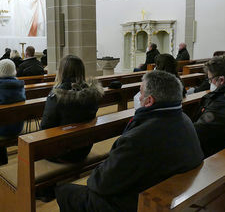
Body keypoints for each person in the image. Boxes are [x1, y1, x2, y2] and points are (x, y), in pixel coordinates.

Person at [55, 70, 203, 212]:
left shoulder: (138, 138)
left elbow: (102, 184)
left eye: (141, 91)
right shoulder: (185, 119)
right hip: (169, 191)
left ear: (149, 101)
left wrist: (97, 175)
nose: (138, 97)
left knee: (65, 191)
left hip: (136, 203)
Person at [41, 55, 104, 162]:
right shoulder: (92, 94)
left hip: (61, 152)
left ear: (62, 71)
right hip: (84, 148)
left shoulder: (57, 96)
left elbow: (45, 126)